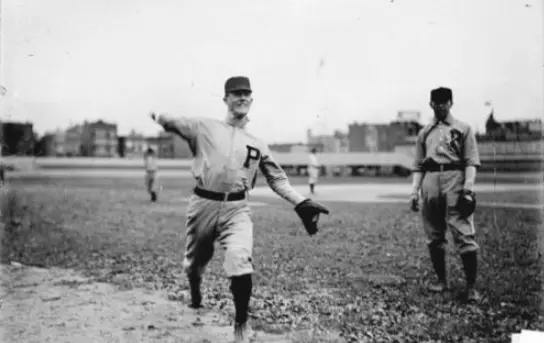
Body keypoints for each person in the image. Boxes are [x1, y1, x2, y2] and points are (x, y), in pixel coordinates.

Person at [150, 76, 329, 342]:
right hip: (203, 205)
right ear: (226, 99)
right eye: (236, 93)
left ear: (252, 100)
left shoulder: (256, 142)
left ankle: (241, 325)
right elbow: (174, 123)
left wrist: (300, 201)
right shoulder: (204, 127)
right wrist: (158, 115)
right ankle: (195, 290)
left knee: (240, 259)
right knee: (195, 264)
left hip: (237, 208)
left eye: (247, 93)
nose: (242, 97)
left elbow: (277, 178)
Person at [409, 87, 481, 302]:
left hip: (454, 178)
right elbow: (418, 166)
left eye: (444, 102)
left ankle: (471, 287)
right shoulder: (425, 132)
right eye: (436, 102)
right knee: (434, 235)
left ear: (451, 102)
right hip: (430, 180)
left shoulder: (463, 128)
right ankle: (442, 281)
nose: (440, 106)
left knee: (463, 233)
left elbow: (471, 162)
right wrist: (414, 191)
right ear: (431, 104)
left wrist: (468, 189)